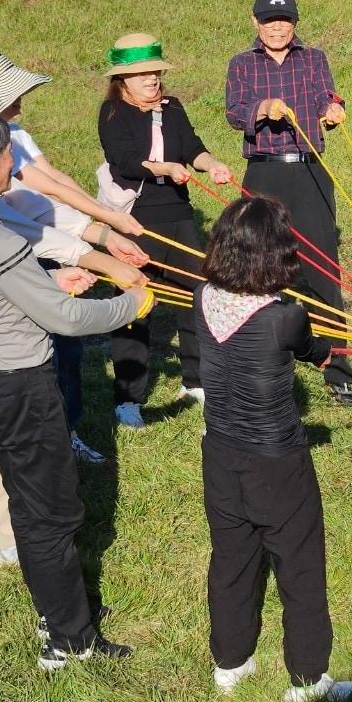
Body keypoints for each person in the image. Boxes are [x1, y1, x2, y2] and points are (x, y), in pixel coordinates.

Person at [0, 108, 152, 671]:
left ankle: (54, 613)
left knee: (29, 507)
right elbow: (70, 322)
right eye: (6, 156)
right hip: (20, 390)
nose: (12, 164)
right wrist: (131, 304)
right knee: (52, 516)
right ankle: (68, 639)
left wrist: (51, 280)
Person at [0, 70, 145, 566]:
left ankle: (34, 521)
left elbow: (31, 204)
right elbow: (23, 239)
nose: (0, 119)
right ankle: (6, 539)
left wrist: (96, 240)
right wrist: (118, 283)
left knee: (16, 439)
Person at [194, 195, 352, 702]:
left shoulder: (201, 296)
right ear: (276, 255)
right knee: (300, 564)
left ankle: (230, 662)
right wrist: (328, 354)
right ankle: (308, 679)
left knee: (232, 558)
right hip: (277, 460)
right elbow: (312, 350)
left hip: (219, 453)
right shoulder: (285, 316)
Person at [0, 50, 149, 463]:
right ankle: (46, 443)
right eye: (10, 95)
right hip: (11, 263)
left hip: (44, 251)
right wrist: (102, 233)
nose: (20, 101)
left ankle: (68, 431)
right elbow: (32, 212)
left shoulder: (17, 135)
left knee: (66, 347)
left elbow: (56, 185)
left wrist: (102, 229)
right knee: (40, 351)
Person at [225, 0, 352, 407]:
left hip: (309, 167)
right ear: (255, 22)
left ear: (295, 21)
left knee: (323, 267)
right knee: (257, 267)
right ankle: (259, 363)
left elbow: (326, 94)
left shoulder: (314, 58)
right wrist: (263, 108)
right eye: (268, 20)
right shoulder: (242, 64)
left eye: (283, 20)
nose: (276, 27)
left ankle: (338, 371)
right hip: (264, 170)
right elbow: (234, 111)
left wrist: (334, 108)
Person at [99, 32, 233, 429]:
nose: (152, 80)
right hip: (134, 220)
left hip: (178, 216)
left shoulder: (172, 108)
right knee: (135, 305)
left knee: (197, 296)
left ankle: (197, 381)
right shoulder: (112, 114)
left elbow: (192, 147)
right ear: (123, 80)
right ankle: (128, 398)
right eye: (142, 75)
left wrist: (211, 165)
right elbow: (124, 161)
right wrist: (164, 169)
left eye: (155, 73)